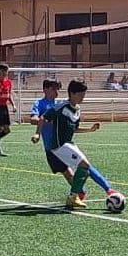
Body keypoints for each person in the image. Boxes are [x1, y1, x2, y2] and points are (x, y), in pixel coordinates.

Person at [41, 80, 118, 209]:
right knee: (84, 165)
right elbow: (44, 117)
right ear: (72, 93)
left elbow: (74, 129)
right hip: (59, 145)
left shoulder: (77, 109)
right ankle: (73, 196)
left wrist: (90, 129)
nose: (83, 98)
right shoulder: (61, 106)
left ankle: (108, 190)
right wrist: (37, 134)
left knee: (87, 167)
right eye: (81, 95)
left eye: (84, 95)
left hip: (69, 144)